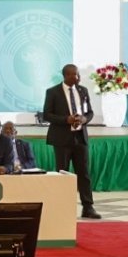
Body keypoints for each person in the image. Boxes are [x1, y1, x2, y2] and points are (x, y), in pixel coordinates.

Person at [43, 64, 100, 218]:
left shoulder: (83, 91)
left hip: (80, 138)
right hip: (62, 139)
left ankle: (88, 207)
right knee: (62, 174)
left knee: (84, 173)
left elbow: (90, 112)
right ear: (66, 75)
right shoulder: (53, 92)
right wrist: (65, 119)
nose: (78, 77)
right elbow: (46, 115)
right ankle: (61, 208)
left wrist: (84, 119)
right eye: (74, 74)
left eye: (78, 74)